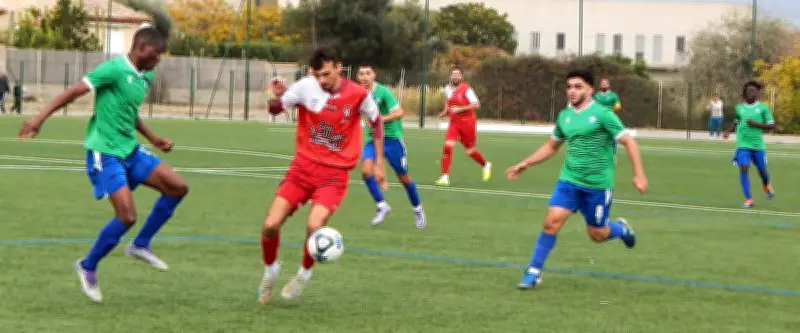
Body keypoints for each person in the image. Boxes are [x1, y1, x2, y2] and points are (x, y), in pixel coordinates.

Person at [17, 24, 188, 303]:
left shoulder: (144, 76)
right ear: (141, 47)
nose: (159, 60)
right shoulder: (113, 69)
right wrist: (39, 118)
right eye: (156, 54)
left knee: (177, 187)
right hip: (103, 152)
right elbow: (73, 92)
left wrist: (153, 138)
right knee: (127, 216)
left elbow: (129, 113)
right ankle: (87, 266)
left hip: (129, 149)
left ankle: (140, 244)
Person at [258, 47, 386, 304]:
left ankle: (304, 274)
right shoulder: (305, 87)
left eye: (326, 74)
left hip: (334, 175)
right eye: (317, 75)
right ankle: (271, 270)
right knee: (270, 225)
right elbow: (274, 110)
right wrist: (275, 96)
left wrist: (379, 163)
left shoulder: (359, 94)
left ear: (339, 67)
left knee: (314, 226)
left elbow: (376, 121)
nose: (322, 81)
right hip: (302, 169)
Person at [505, 69, 647, 289]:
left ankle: (621, 229)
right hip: (569, 181)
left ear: (590, 90)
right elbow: (552, 146)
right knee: (551, 223)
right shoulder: (565, 116)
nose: (572, 91)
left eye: (578, 86)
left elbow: (629, 141)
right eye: (569, 86)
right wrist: (526, 163)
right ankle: (533, 271)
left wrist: (638, 174)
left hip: (597, 185)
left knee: (597, 235)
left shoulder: (602, 113)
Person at [356, 64, 426, 228]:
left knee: (404, 178)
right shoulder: (358, 94)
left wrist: (380, 119)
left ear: (374, 75)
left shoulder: (384, 92)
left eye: (368, 73)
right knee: (366, 171)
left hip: (392, 139)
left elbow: (399, 112)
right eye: (361, 74)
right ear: (357, 77)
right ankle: (382, 206)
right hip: (371, 139)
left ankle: (418, 209)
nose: (364, 76)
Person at [434, 67, 491, 186]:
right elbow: (448, 101)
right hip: (454, 123)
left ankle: (486, 164)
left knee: (470, 151)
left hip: (468, 123)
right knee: (448, 147)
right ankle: (445, 177)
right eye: (453, 74)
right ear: (450, 76)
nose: (455, 76)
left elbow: (476, 104)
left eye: (457, 74)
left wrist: (460, 108)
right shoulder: (447, 89)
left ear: (462, 77)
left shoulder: (467, 89)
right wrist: (444, 112)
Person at [723, 81, 775, 208]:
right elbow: (736, 122)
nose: (750, 92)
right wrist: (728, 131)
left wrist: (756, 124)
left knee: (762, 171)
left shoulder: (763, 108)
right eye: (748, 90)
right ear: (745, 93)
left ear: (757, 93)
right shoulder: (739, 108)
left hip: (758, 146)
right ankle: (748, 199)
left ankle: (767, 185)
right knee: (744, 167)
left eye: (753, 90)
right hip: (743, 144)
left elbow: (772, 125)